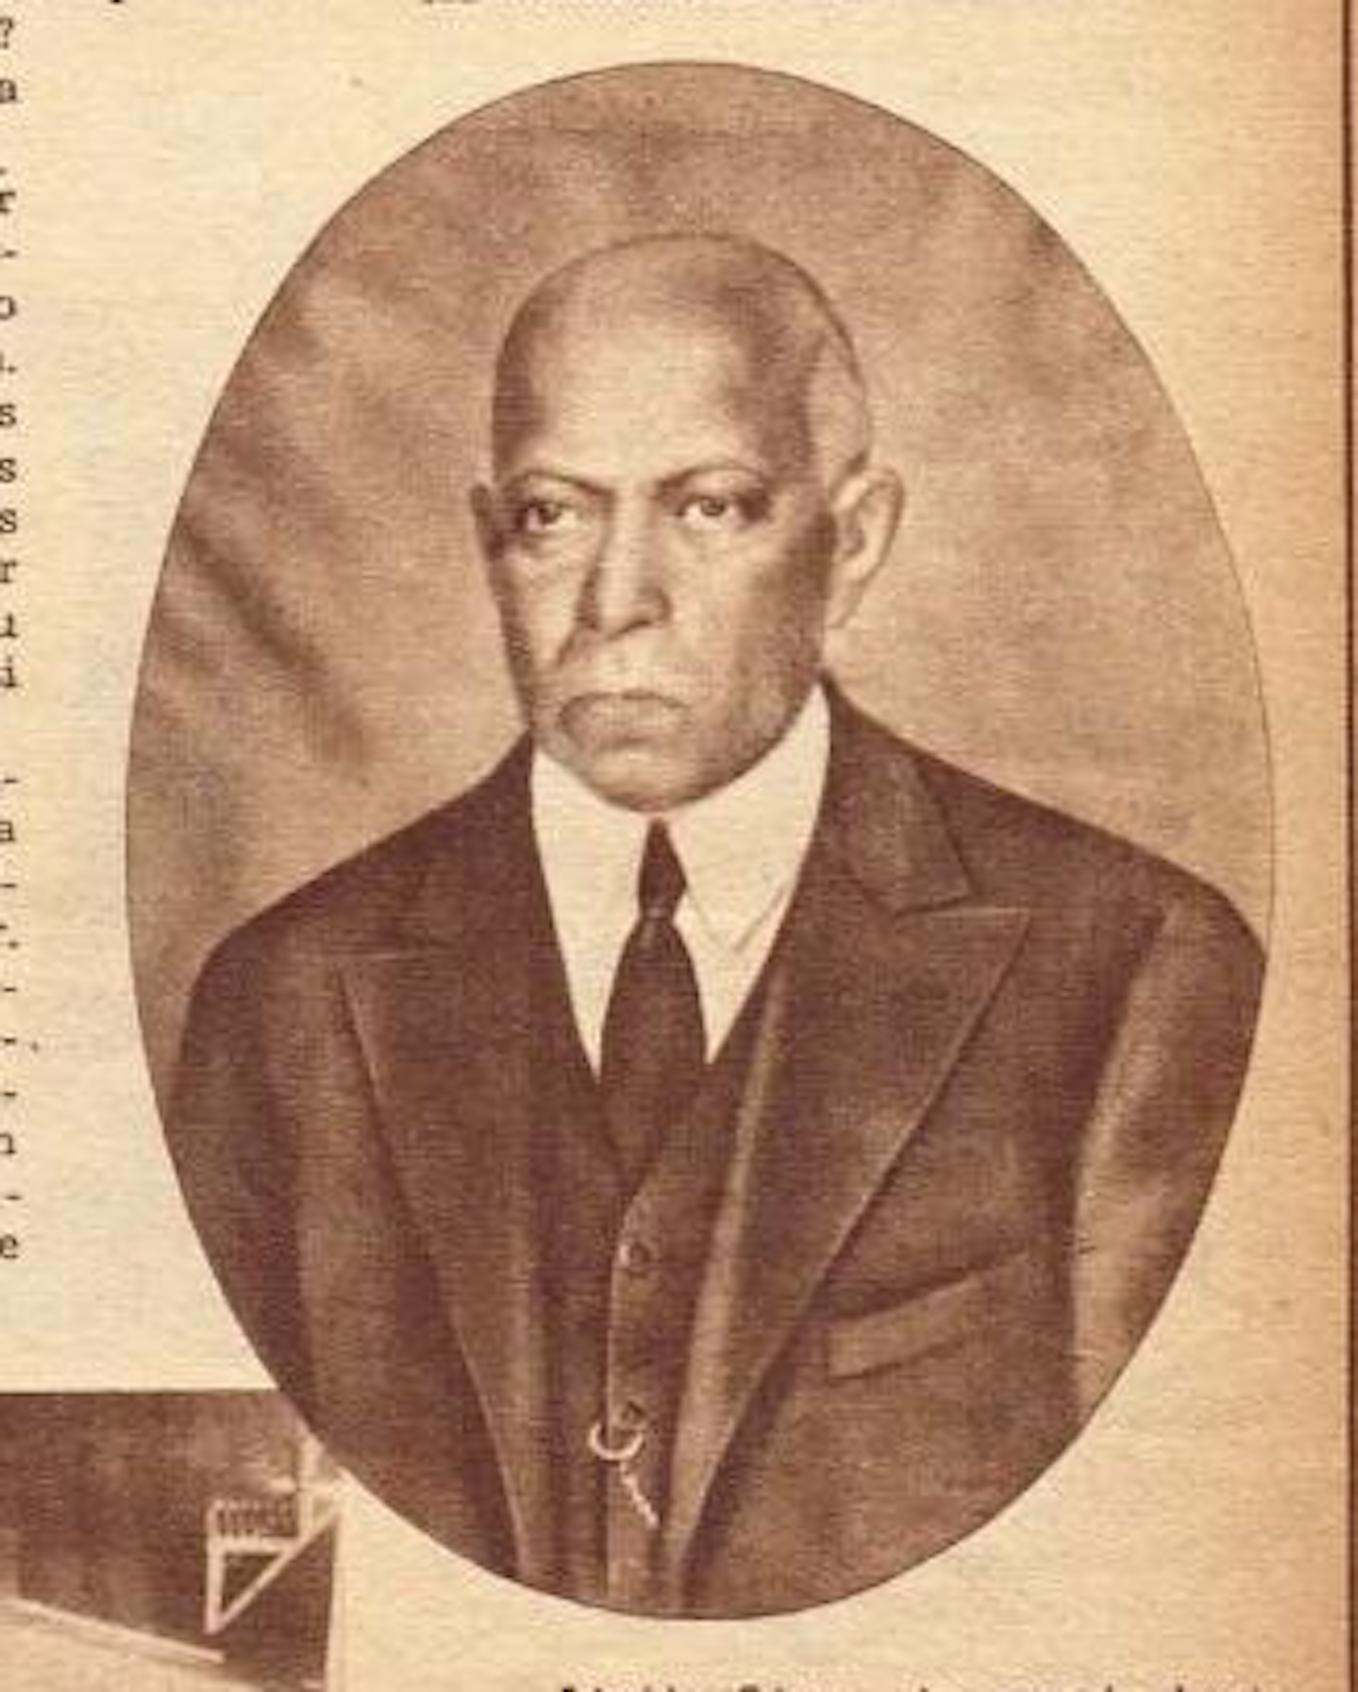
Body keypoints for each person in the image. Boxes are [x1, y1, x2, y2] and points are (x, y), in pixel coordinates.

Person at [167, 232, 1264, 1617]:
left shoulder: (1137, 979)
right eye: (553, 515)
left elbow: (1158, 1574)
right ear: (487, 540)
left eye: (710, 508)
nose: (616, 598)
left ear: (850, 540)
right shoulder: (284, 1003)